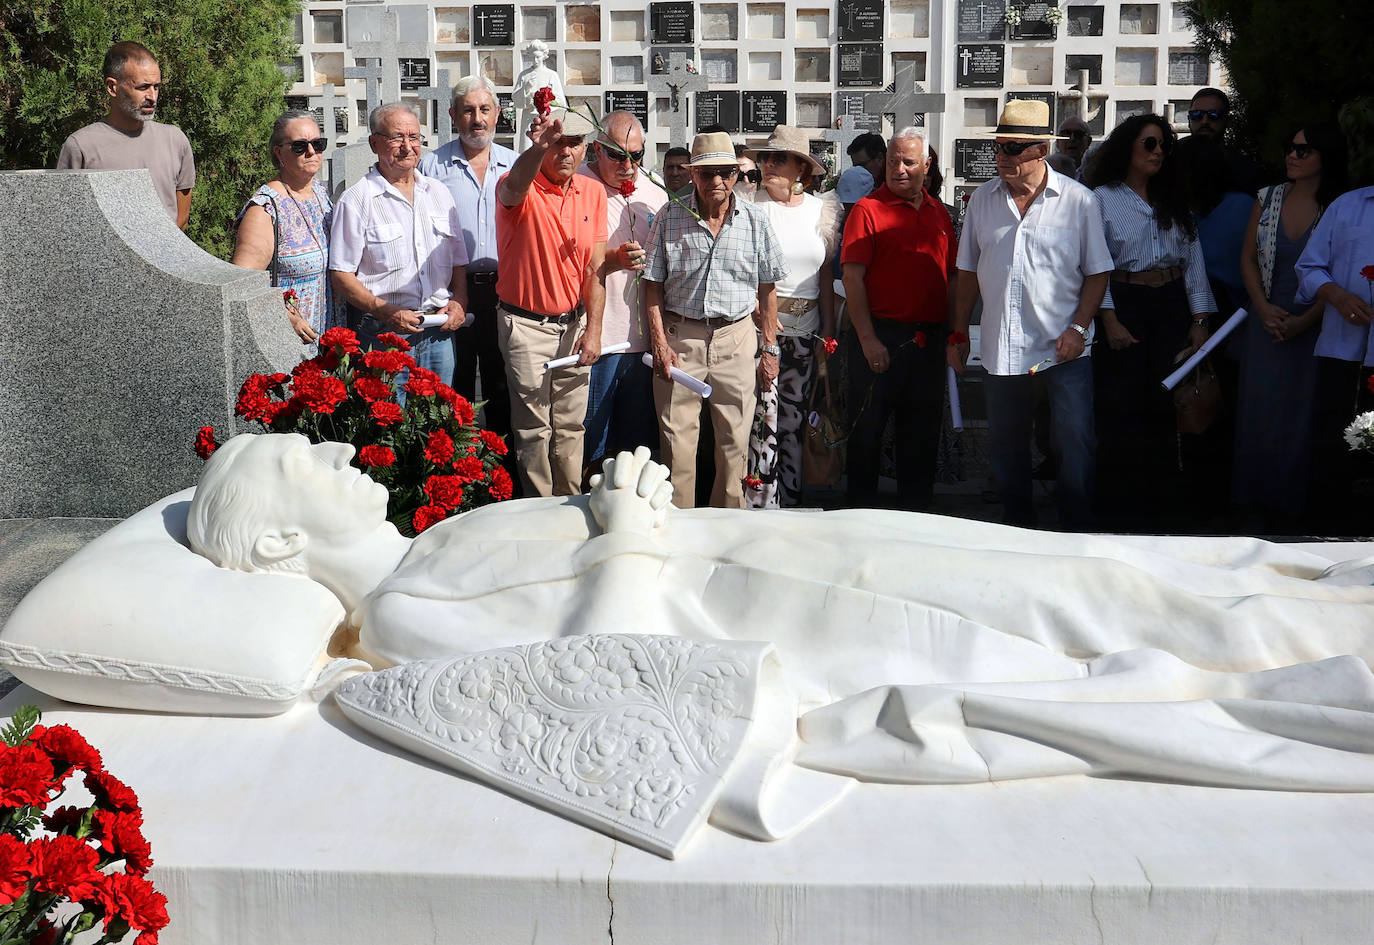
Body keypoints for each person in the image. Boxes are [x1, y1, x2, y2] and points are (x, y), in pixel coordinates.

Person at [186, 433, 1374, 790]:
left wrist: (630, 512)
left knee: (1078, 573)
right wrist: (631, 529)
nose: (334, 446)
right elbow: (601, 679)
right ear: (285, 542)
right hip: (792, 613)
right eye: (300, 460)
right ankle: (1325, 648)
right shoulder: (401, 618)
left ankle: (1313, 608)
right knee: (1086, 608)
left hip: (787, 550)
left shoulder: (441, 537)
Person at [953, 100, 1114, 530]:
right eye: (998, 147)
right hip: (1002, 346)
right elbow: (966, 272)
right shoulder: (982, 200)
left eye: (1013, 148)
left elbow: (1098, 273)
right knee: (1006, 447)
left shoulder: (1079, 202)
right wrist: (958, 332)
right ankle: (1017, 531)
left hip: (1064, 349)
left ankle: (1076, 532)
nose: (1001, 156)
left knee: (1074, 443)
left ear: (1041, 150)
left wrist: (1078, 328)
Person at [643, 131, 787, 509]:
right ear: (693, 175)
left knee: (734, 447)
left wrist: (769, 349)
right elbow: (651, 286)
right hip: (681, 338)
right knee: (677, 447)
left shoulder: (755, 221)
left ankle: (726, 531)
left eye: (726, 172)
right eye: (707, 173)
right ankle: (678, 529)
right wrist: (659, 344)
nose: (717, 181)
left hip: (736, 339)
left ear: (737, 174)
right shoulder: (669, 216)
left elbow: (768, 290)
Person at [1088, 114, 1216, 531]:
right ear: (1128, 147)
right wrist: (1109, 318)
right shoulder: (1101, 199)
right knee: (1121, 406)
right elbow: (1095, 265)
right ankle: (1118, 511)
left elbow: (1194, 261)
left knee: (1167, 403)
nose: (1158, 151)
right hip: (1126, 300)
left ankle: (1163, 510)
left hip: (1171, 303)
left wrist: (1200, 318)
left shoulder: (1174, 198)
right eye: (1149, 143)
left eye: (1164, 145)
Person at [1234, 124, 1348, 532]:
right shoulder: (1267, 198)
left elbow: (1342, 274)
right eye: (1290, 148)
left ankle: (1294, 511)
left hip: (1316, 324)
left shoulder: (1339, 207)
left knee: (1302, 414)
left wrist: (1304, 321)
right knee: (1258, 411)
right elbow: (1247, 259)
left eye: (1304, 150)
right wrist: (1263, 308)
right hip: (1266, 321)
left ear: (1325, 156)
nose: (1292, 156)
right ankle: (1252, 507)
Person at [840, 127, 958, 511]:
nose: (899, 169)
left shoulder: (939, 213)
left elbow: (953, 277)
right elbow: (853, 279)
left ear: (927, 165)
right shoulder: (867, 210)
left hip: (928, 341)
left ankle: (915, 520)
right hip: (880, 336)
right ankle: (860, 521)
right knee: (866, 437)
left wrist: (955, 334)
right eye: (893, 161)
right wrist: (868, 339)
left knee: (921, 440)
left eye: (908, 162)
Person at [494, 106, 607, 497]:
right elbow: (513, 189)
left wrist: (594, 331)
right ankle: (539, 510)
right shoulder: (519, 183)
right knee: (533, 429)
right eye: (557, 144)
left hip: (574, 324)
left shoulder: (592, 192)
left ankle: (570, 504)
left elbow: (595, 268)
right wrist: (537, 148)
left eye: (574, 143)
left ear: (586, 148)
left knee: (571, 426)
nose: (565, 152)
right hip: (526, 327)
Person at [329, 103, 469, 389]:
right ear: (374, 143)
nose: (407, 146)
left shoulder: (439, 193)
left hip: (438, 332)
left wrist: (460, 302)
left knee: (438, 415)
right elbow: (341, 275)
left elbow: (458, 261)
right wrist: (384, 311)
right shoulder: (357, 200)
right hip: (384, 334)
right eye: (396, 137)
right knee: (389, 414)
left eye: (414, 137)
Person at [418, 75, 518, 449]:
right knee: (453, 384)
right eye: (468, 110)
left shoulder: (515, 165)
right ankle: (454, 461)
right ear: (453, 116)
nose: (477, 119)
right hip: (451, 292)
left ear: (497, 114)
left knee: (501, 383)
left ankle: (500, 465)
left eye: (484, 109)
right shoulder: (431, 166)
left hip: (504, 291)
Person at [743, 126, 840, 508]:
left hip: (807, 332)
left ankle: (792, 500)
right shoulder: (750, 206)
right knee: (761, 420)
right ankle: (759, 502)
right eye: (765, 158)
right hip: (759, 331)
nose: (768, 165)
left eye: (778, 158)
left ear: (801, 168)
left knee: (795, 420)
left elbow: (825, 274)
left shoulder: (822, 210)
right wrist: (758, 312)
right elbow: (741, 270)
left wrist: (828, 330)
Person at [578, 110, 668, 471]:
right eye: (617, 155)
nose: (628, 166)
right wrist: (613, 259)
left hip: (642, 341)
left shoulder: (654, 188)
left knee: (635, 452)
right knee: (590, 447)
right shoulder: (578, 185)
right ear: (597, 149)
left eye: (636, 155)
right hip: (597, 340)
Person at [1295, 150, 1373, 536]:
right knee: (1335, 447)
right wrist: (1337, 296)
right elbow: (1309, 267)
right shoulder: (1348, 205)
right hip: (1343, 351)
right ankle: (1328, 537)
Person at [55, 41, 194, 229]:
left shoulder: (175, 141)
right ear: (112, 87)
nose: (153, 97)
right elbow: (67, 222)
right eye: (143, 87)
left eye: (156, 87)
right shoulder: (81, 147)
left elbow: (181, 219)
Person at [231, 110, 339, 350]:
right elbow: (243, 283)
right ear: (279, 153)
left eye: (318, 144)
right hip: (291, 341)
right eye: (300, 146)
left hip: (328, 341)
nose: (311, 152)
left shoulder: (320, 193)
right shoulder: (265, 209)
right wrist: (286, 317)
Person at [1187, 87, 1259, 195]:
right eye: (1197, 115)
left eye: (1213, 114)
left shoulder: (1244, 168)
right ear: (1189, 119)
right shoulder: (1171, 160)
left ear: (1227, 120)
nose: (1204, 121)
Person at [512, 40, 564, 152]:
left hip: (546, 120)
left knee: (546, 150)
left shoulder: (551, 75)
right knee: (527, 150)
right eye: (533, 57)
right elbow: (516, 100)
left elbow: (561, 102)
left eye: (538, 57)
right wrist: (526, 88)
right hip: (528, 119)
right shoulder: (524, 75)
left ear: (544, 56)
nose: (535, 60)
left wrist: (545, 105)